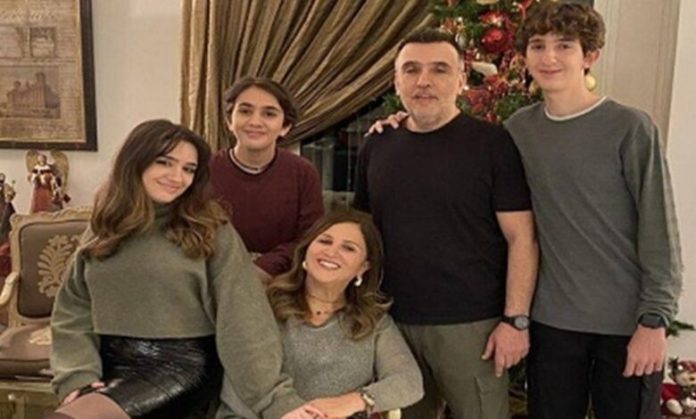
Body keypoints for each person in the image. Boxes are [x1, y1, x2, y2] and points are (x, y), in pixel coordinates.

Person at [47, 119, 305, 419]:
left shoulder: (211, 229)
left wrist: (273, 399)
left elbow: (244, 317)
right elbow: (74, 308)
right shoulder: (106, 223)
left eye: (188, 169)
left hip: (178, 366)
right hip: (104, 365)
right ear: (136, 161)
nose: (177, 177)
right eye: (165, 162)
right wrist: (76, 374)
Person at [504, 3, 682, 418]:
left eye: (564, 45)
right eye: (537, 45)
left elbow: (659, 228)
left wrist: (654, 321)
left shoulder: (629, 127)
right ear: (524, 56)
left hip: (627, 326)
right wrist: (403, 124)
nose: (549, 57)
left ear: (590, 55)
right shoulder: (517, 131)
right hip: (552, 325)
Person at [354, 28, 538, 419]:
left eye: (439, 69)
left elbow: (522, 238)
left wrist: (515, 321)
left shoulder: (493, 145)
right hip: (390, 322)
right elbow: (363, 234)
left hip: (473, 326)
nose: (424, 80)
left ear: (460, 79)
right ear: (396, 81)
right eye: (411, 69)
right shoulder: (377, 145)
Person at [268, 210, 423, 419]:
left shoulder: (373, 320)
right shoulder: (267, 305)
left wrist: (354, 402)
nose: (331, 252)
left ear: (363, 267)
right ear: (306, 250)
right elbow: (245, 382)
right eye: (325, 241)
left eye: (348, 248)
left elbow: (409, 382)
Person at [209, 77, 324, 282]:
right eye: (245, 111)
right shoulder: (205, 170)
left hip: (281, 282)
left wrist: (263, 269)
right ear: (229, 121)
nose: (255, 122)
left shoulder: (303, 173)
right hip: (214, 277)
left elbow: (309, 236)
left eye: (269, 114)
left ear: (285, 126)